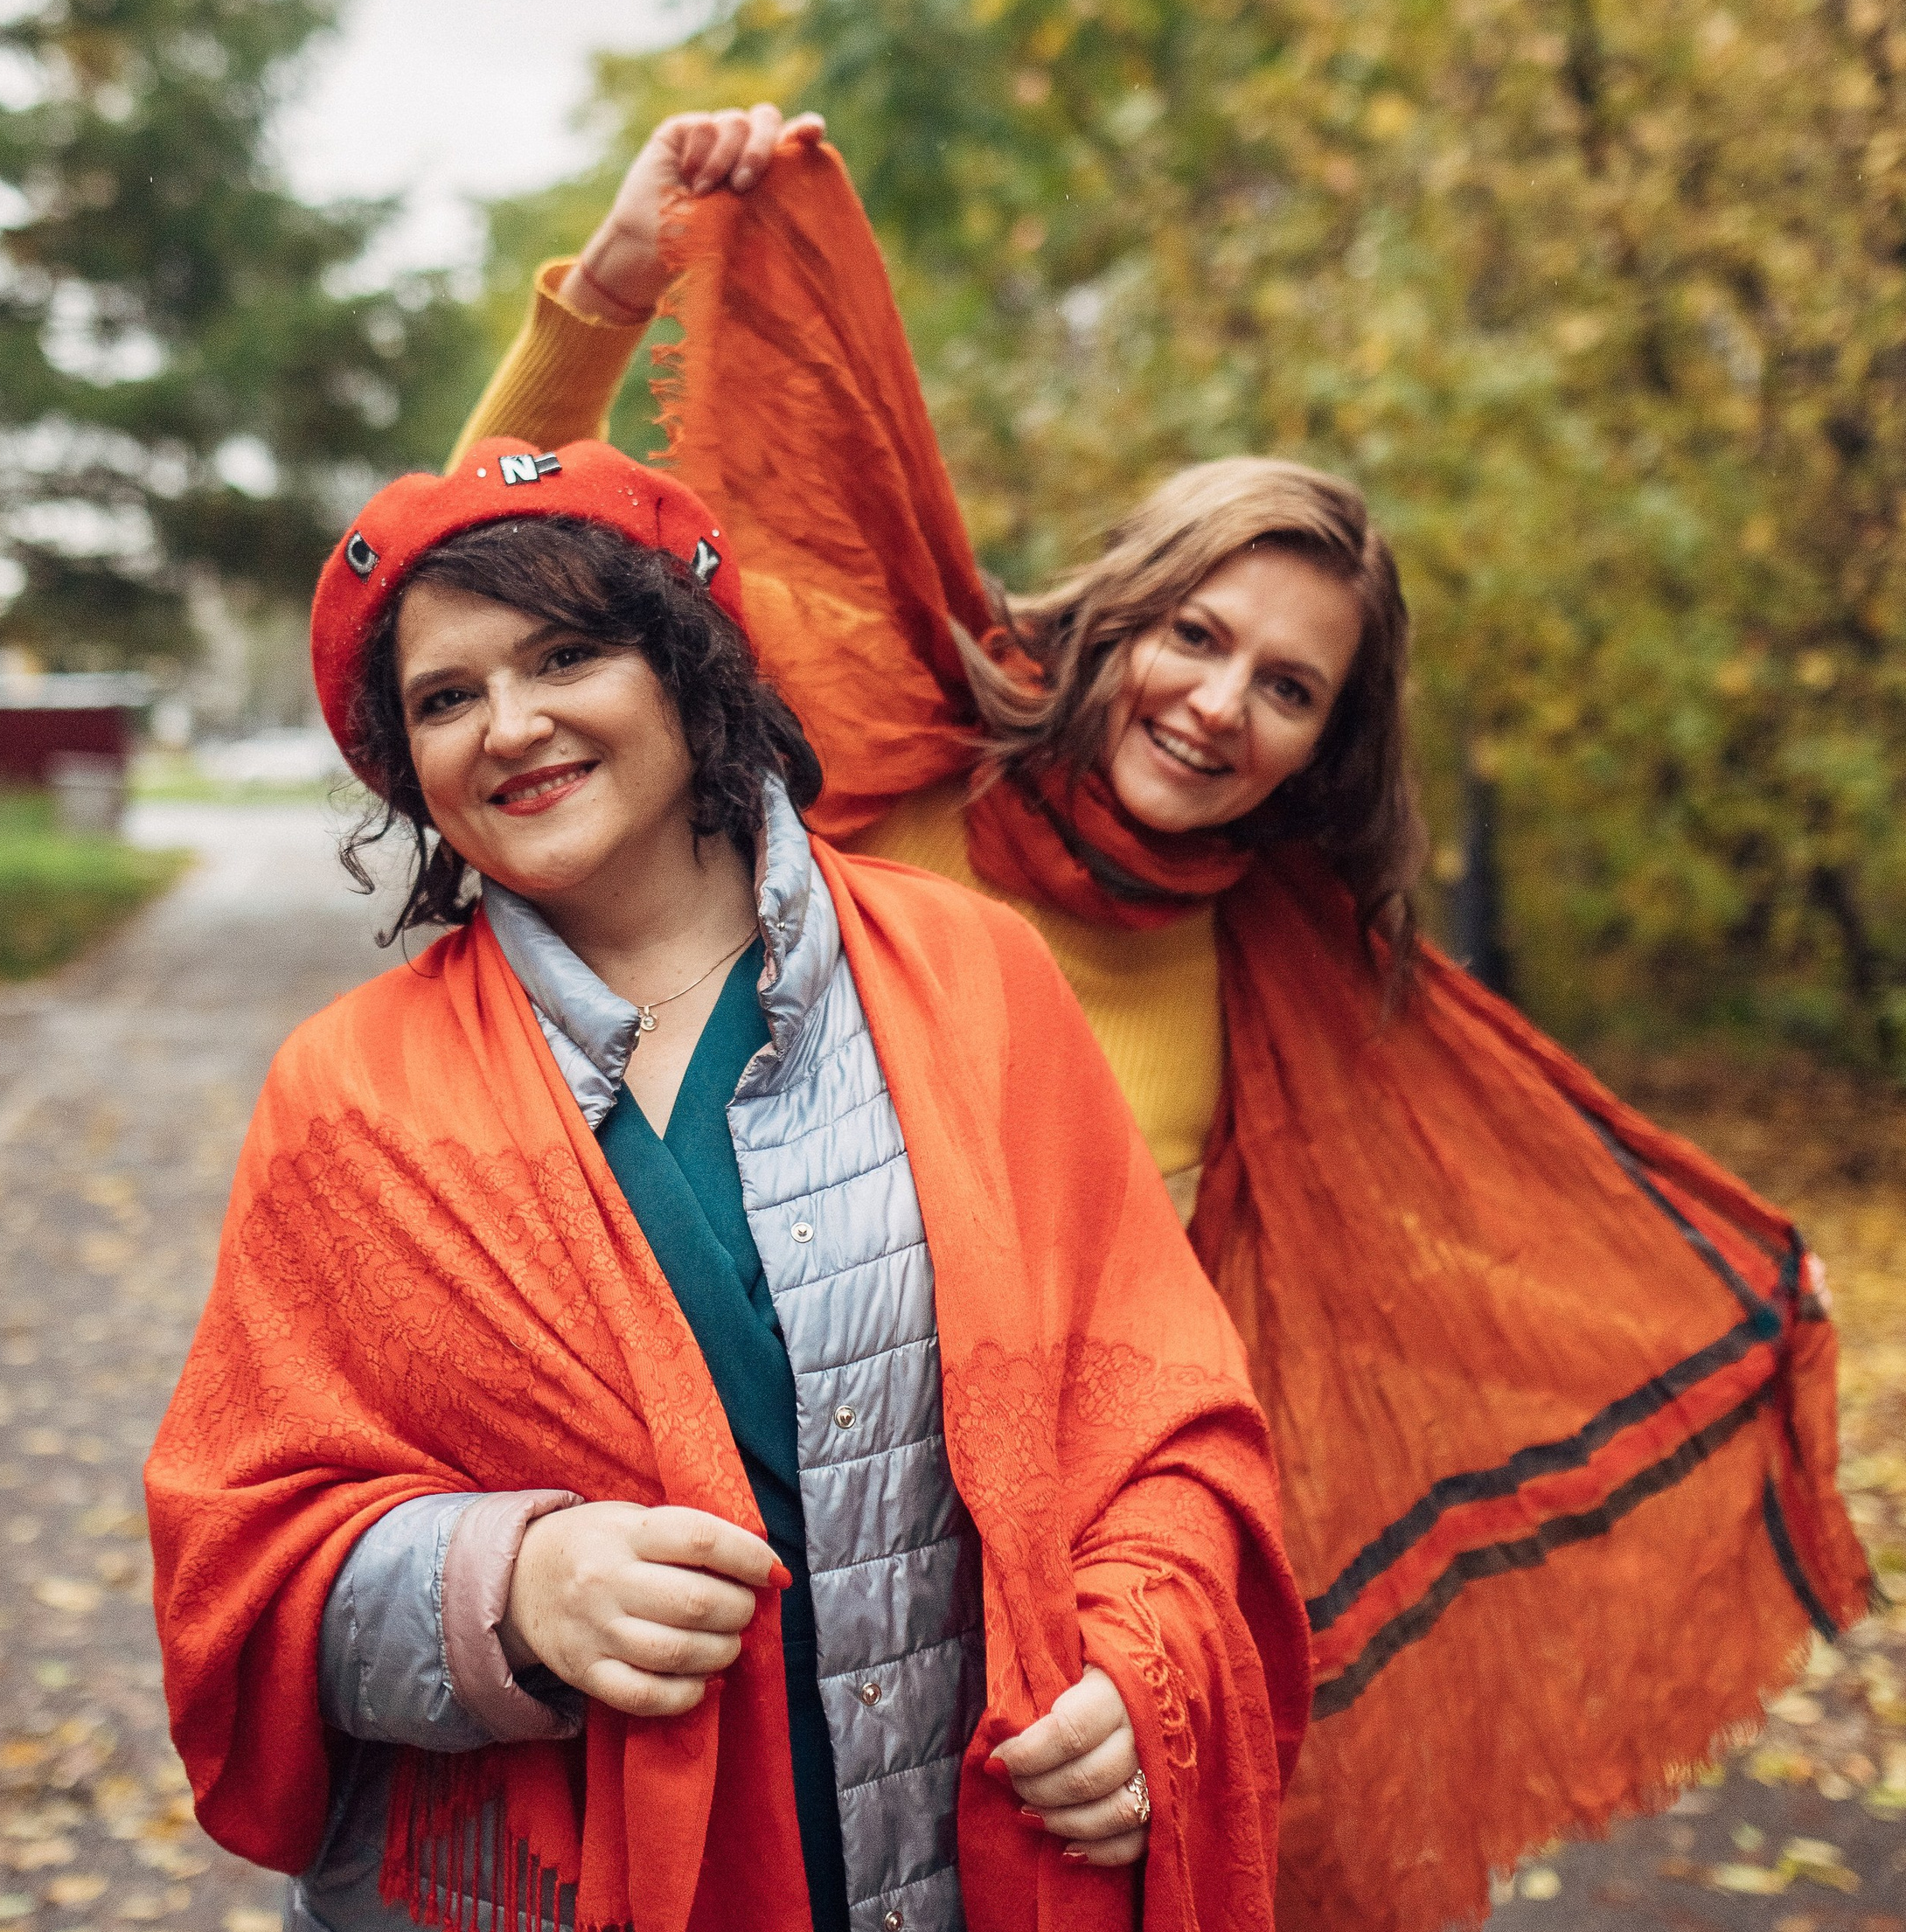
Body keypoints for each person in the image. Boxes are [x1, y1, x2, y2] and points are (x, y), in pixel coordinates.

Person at [442, 109, 1870, 1932]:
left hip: (1059, 1633)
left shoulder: (1279, 964)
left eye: (1287, 685)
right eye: (1195, 635)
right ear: (1116, 615)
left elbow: (1411, 1270)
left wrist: (1729, 1312)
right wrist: (621, 274)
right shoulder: (868, 777)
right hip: (750, 1540)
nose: (1217, 705)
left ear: (1326, 739)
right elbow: (491, 593)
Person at [144, 439, 1312, 1932]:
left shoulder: (974, 978)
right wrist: (508, 1588)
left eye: (569, 652)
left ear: (688, 667)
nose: (513, 724)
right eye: (447, 696)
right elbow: (235, 1559)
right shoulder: (348, 1092)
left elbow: (1171, 1426)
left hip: (962, 1867)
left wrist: (1140, 1672)